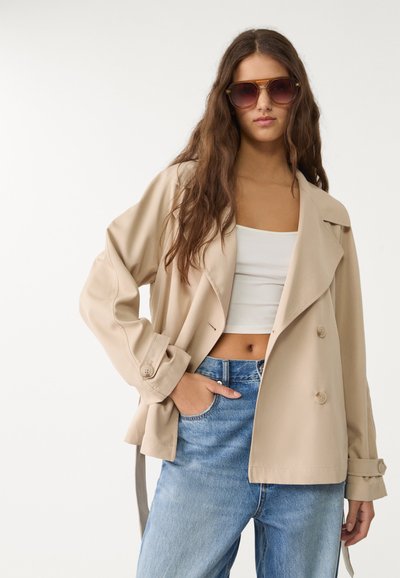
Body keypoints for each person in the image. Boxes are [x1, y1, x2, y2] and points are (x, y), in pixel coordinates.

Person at [79, 28, 388, 577]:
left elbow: (349, 353)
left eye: (279, 88)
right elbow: (102, 291)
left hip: (310, 432)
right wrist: (170, 378)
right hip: (209, 418)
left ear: (298, 96)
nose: (263, 102)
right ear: (228, 100)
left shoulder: (329, 215)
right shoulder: (185, 189)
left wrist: (363, 472)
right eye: (247, 91)